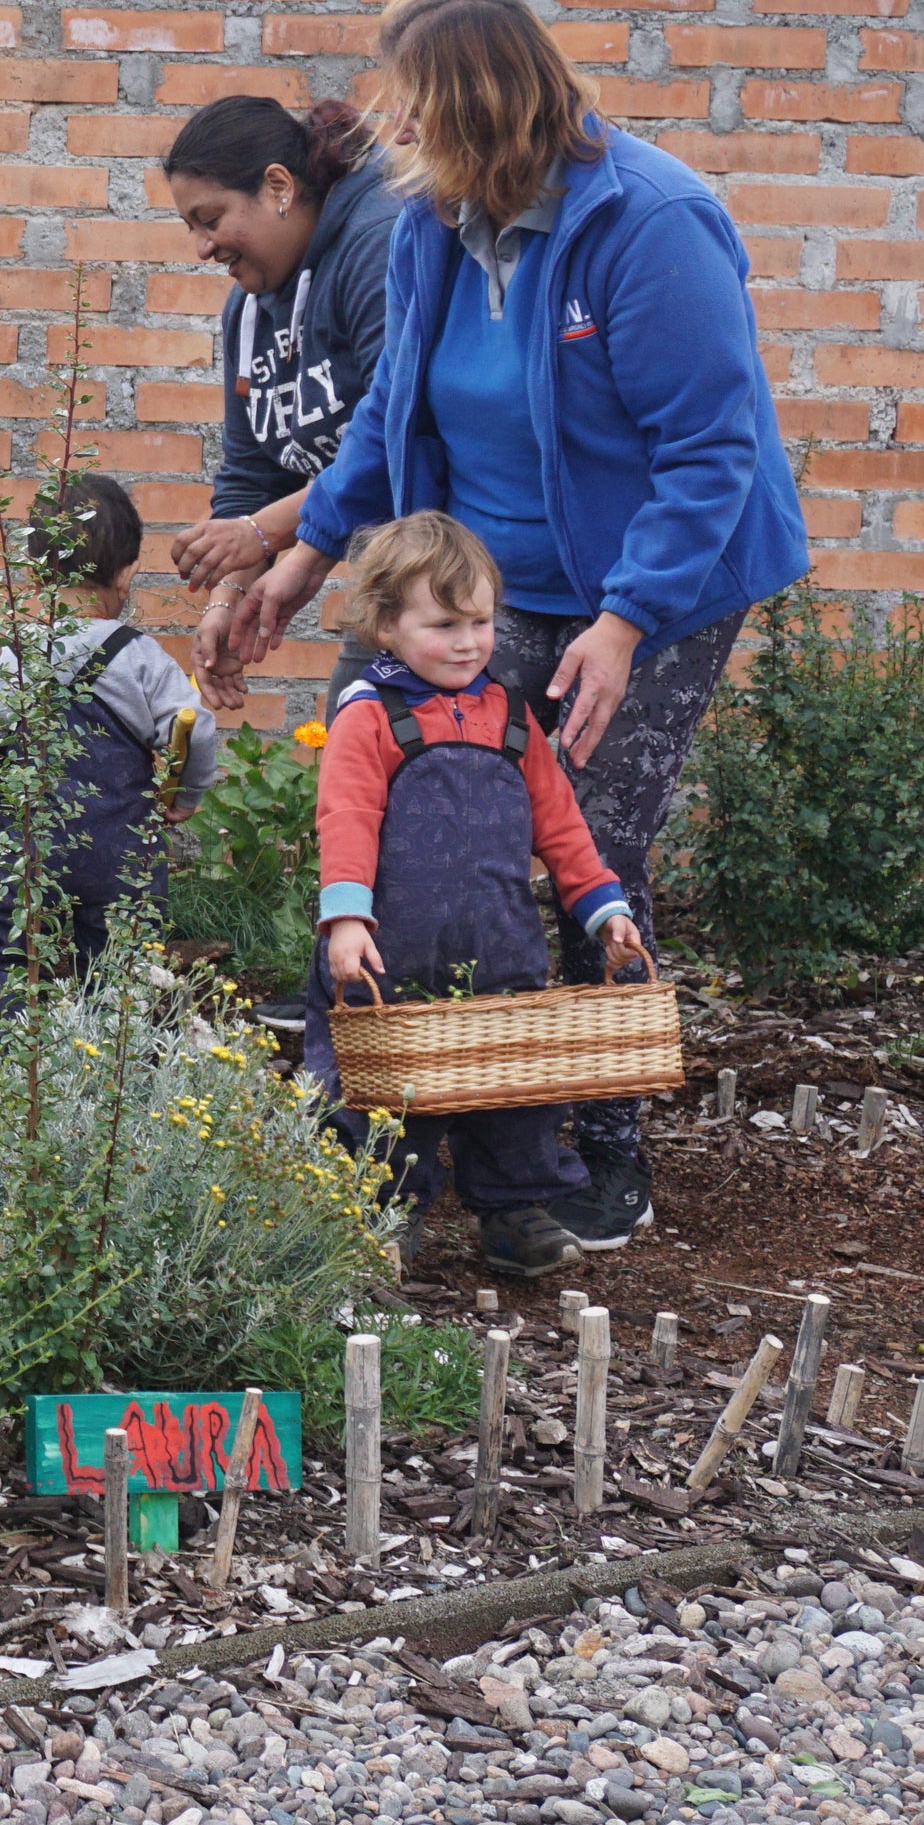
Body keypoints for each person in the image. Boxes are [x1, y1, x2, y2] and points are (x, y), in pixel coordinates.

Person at [227, 0, 808, 1256]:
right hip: (486, 577)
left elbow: (711, 452)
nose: (393, 139)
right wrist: (301, 558)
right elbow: (391, 418)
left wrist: (626, 620)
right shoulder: (441, 217)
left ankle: (594, 1152)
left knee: (584, 842)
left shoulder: (651, 225)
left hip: (652, 580)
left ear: (478, 110)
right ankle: (387, 1116)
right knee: (376, 798)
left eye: (414, 113)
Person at [305, 513, 651, 1279]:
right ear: (388, 625)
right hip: (392, 954)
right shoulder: (371, 713)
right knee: (392, 1096)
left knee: (516, 1090)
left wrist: (606, 910)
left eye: (481, 622)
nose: (467, 642)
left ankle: (515, 1214)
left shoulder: (511, 718)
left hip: (502, 949)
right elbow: (348, 819)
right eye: (444, 624)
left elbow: (561, 826)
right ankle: (382, 1217)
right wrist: (346, 921)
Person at [0, 474, 220, 1003]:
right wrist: (186, 794)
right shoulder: (139, 657)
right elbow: (194, 726)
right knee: (122, 973)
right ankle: (115, 1068)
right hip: (120, 853)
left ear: (32, 572)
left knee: (1, 961)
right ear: (128, 572)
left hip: (22, 848)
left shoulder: (8, 658)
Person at [153, 94, 390, 712]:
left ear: (278, 187)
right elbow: (250, 473)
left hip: (462, 576)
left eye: (211, 218)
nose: (202, 248)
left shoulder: (376, 246)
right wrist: (227, 601)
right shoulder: (248, 310)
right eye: (191, 229)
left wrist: (263, 534)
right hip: (395, 582)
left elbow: (400, 437)